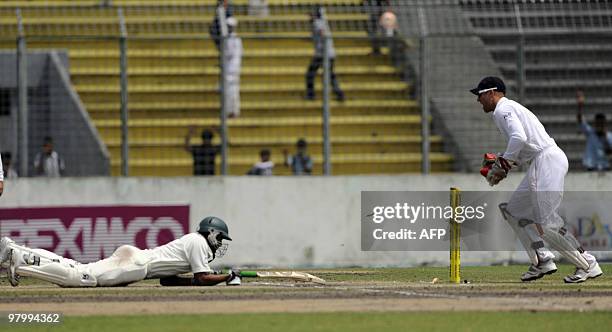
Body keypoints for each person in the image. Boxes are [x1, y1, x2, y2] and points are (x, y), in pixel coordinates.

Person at [472, 76, 602, 283]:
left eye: (480, 95)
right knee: (513, 211)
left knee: (547, 223)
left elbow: (519, 138)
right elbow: (524, 147)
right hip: (541, 160)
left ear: (492, 93)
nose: (478, 100)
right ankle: (542, 259)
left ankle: (588, 264)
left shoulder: (502, 110)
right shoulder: (508, 109)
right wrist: (502, 163)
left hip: (547, 160)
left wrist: (504, 164)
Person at [0, 217, 240, 287]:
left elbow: (168, 281)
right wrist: (227, 277)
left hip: (136, 261)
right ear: (210, 232)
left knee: (78, 269)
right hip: (135, 265)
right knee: (80, 277)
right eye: (219, 237)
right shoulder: (198, 242)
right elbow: (202, 278)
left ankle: (19, 254)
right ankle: (19, 257)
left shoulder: (192, 242)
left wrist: (220, 277)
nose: (220, 243)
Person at [305, 6, 344, 102]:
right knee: (330, 75)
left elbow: (323, 33)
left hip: (322, 54)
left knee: (310, 74)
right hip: (329, 54)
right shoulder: (323, 21)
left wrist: (322, 39)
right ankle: (339, 93)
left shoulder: (317, 23)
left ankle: (311, 95)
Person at [576, 90, 612, 171]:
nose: (599, 125)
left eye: (601, 123)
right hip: (591, 167)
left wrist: (605, 138)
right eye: (597, 123)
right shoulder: (590, 132)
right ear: (595, 123)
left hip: (604, 168)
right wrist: (580, 106)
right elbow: (580, 120)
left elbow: (610, 153)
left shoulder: (609, 136)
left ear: (604, 124)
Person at [224, 17, 243, 118]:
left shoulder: (231, 39)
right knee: (233, 89)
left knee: (231, 90)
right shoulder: (236, 39)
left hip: (231, 68)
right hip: (234, 68)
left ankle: (231, 111)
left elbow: (229, 54)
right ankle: (233, 110)